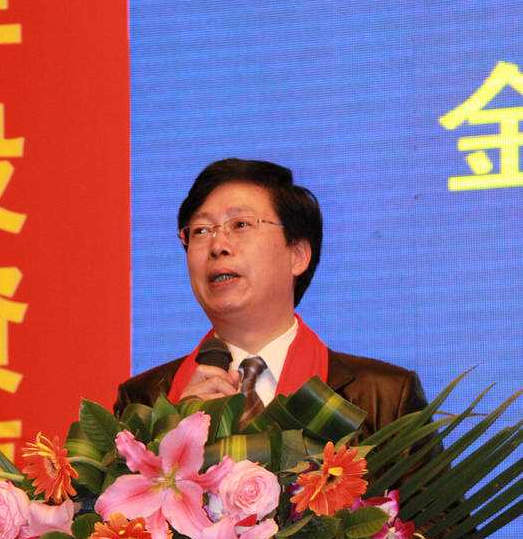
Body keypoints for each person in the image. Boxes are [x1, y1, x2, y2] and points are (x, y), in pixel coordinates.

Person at [115, 158, 428, 437]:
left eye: (240, 225)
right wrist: (172, 437)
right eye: (200, 230)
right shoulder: (143, 402)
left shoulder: (385, 398)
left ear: (298, 255)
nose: (217, 245)